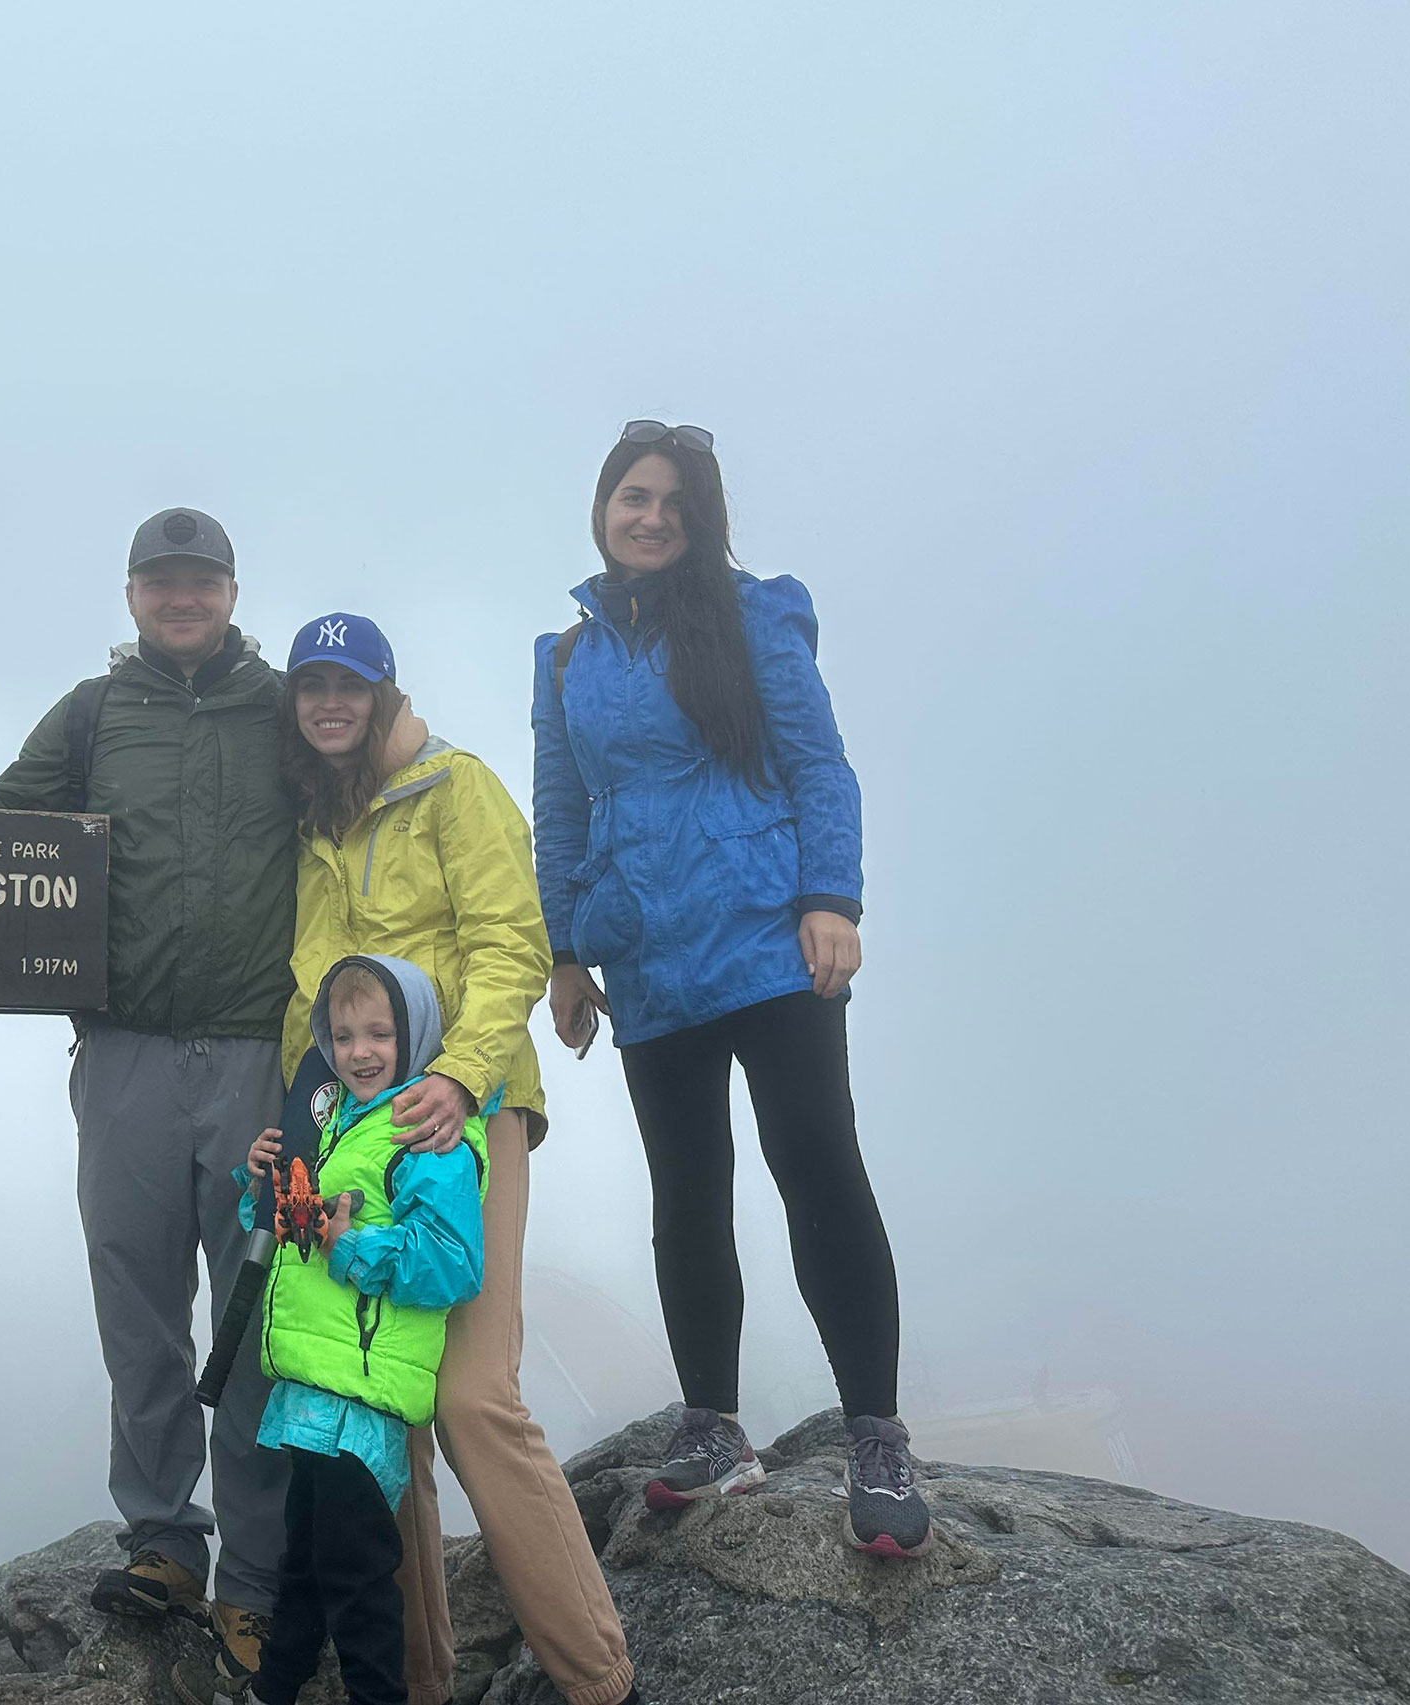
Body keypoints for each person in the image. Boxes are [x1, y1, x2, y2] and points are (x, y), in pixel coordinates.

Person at [0, 508, 295, 1690]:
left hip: (259, 1051)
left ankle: (255, 1579)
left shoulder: (286, 705)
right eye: (160, 581)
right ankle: (162, 1544)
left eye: (200, 581)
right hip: (124, 1051)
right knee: (138, 1308)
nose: (181, 598)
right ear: (133, 593)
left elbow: (369, 797)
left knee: (255, 1322)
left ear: (233, 591)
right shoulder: (96, 713)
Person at [533, 420, 930, 1557]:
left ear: (699, 519)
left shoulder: (756, 616)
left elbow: (818, 761)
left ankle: (875, 1435)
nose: (648, 516)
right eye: (630, 496)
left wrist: (832, 900)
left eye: (671, 501)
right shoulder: (564, 657)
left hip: (768, 939)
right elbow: (561, 809)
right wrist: (567, 951)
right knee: (687, 1195)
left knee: (816, 1168)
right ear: (602, 508)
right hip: (647, 956)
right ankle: (713, 1427)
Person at [271, 615, 638, 1705]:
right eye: (312, 686)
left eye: (351, 683)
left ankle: (601, 1679)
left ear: (387, 690)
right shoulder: (316, 824)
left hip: (463, 1115)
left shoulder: (454, 786)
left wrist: (464, 1073)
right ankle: (416, 1684)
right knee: (384, 1409)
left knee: (474, 1397)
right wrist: (297, 1135)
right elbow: (313, 1001)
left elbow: (509, 939)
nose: (331, 702)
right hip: (354, 1129)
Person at [185, 955, 487, 1705]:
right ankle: (275, 1687)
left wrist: (350, 1247)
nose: (359, 1050)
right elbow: (297, 1233)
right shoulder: (336, 1125)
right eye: (344, 1033)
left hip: (364, 1391)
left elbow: (453, 1263)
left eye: (380, 1032)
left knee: (355, 1577)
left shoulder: (427, 1134)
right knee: (308, 1562)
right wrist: (259, 1183)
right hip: (315, 1387)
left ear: (414, 1036)